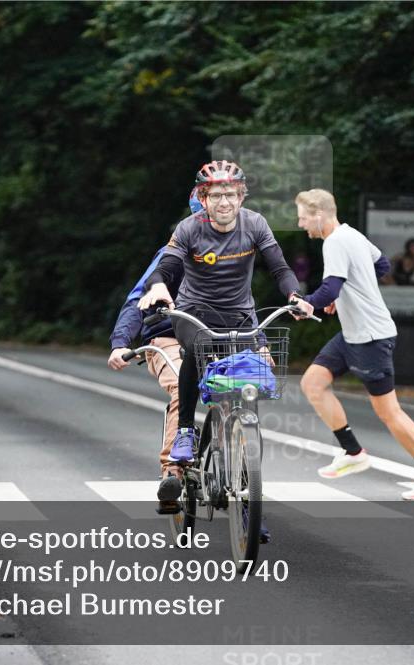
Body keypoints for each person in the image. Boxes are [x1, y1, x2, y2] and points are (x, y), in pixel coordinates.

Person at [137, 160, 303, 497]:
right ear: (204, 197)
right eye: (215, 195)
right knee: (197, 352)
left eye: (230, 194)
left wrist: (294, 295)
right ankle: (185, 430)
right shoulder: (189, 228)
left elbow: (279, 267)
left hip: (239, 315)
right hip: (194, 313)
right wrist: (157, 286)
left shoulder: (255, 224)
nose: (224, 202)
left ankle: (247, 485)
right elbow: (166, 267)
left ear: (241, 197)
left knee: (249, 383)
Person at [293, 189, 414, 501]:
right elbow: (381, 266)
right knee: (313, 383)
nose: (301, 224)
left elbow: (329, 287)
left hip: (371, 338)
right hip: (352, 335)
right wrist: (346, 294)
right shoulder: (352, 235)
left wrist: (308, 303)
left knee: (388, 411)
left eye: (303, 217)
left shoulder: (336, 242)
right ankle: (353, 452)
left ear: (319, 214)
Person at [108, 246, 184, 513]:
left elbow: (244, 304)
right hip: (170, 336)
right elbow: (138, 300)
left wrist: (260, 343)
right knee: (183, 384)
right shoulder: (174, 252)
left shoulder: (238, 247)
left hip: (217, 338)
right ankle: (172, 474)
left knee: (242, 388)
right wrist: (121, 342)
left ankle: (245, 491)